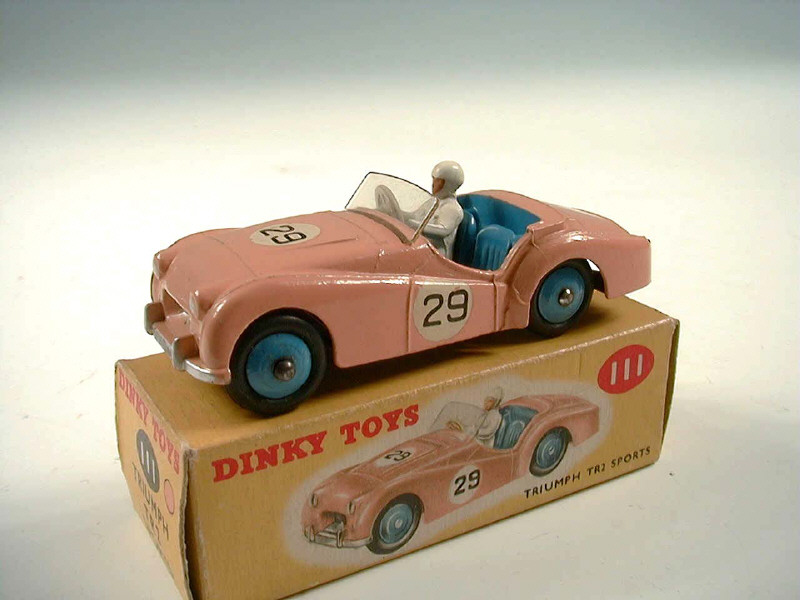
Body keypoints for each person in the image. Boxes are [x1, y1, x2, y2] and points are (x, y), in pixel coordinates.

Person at [407, 161, 465, 259]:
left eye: (439, 181)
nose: (433, 184)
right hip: (420, 247)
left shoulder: (452, 209)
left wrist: (412, 224)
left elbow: (442, 231)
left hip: (437, 257)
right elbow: (415, 215)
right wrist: (397, 213)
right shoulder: (432, 202)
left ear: (449, 184)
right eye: (434, 180)